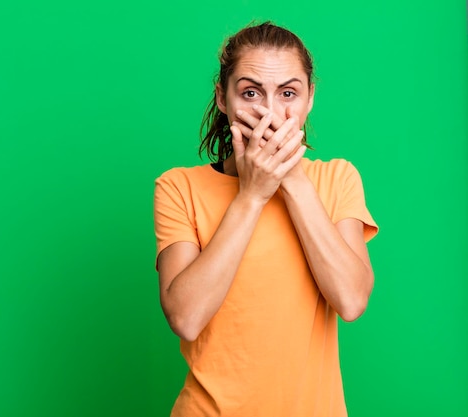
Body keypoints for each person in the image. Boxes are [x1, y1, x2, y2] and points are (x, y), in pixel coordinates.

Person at [153, 21, 378, 417]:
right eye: (251, 92)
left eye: (288, 93)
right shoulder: (178, 187)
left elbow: (351, 299)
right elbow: (186, 318)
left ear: (310, 98)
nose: (270, 113)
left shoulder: (337, 178)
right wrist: (252, 195)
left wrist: (291, 179)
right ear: (223, 98)